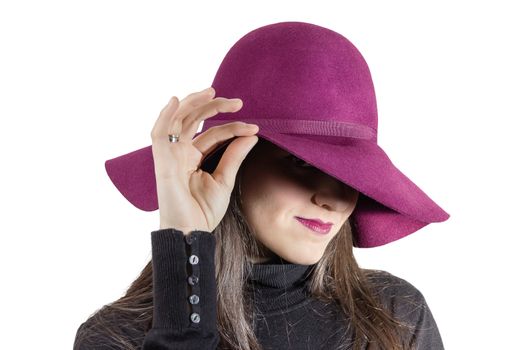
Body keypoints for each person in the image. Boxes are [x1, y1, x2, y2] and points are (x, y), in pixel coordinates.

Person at [74, 21, 449, 350]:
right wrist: (185, 238)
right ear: (231, 158)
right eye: (302, 163)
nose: (334, 200)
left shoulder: (395, 317)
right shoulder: (118, 337)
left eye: (351, 174)